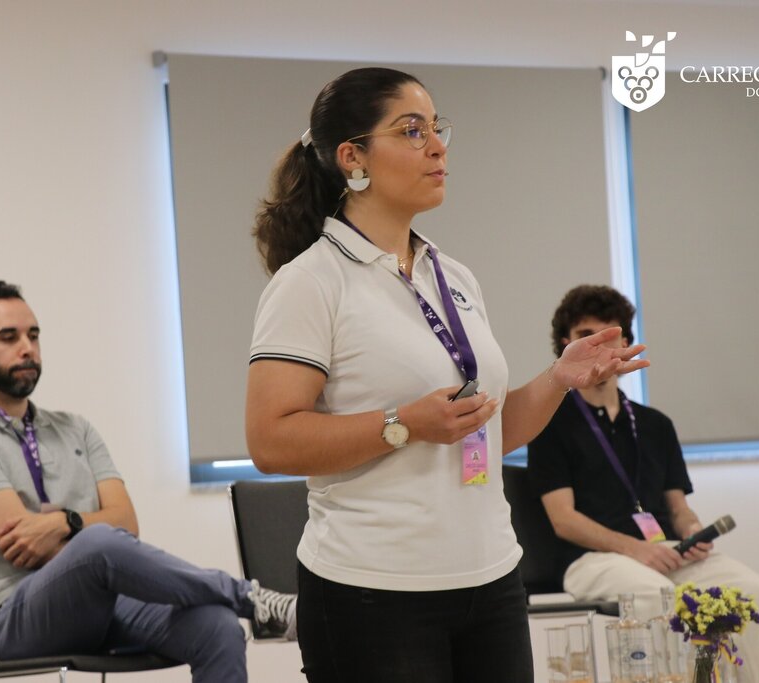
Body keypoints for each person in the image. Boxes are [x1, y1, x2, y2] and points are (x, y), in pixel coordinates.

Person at [244, 68, 649, 683]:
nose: (437, 147)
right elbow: (270, 441)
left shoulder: (452, 275)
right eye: (412, 131)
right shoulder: (310, 281)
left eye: (438, 129)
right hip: (373, 592)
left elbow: (485, 429)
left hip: (492, 579)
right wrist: (404, 425)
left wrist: (557, 379)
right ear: (353, 157)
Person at [0, 281, 297, 683]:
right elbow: (29, 548)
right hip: (15, 616)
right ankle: (249, 597)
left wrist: (66, 522)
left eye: (33, 335)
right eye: (9, 337)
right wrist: (91, 536)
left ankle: (239, 603)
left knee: (218, 626)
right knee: (98, 544)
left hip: (103, 600)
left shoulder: (76, 429)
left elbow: (126, 525)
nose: (28, 348)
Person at [527, 284, 759, 683]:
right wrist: (634, 549)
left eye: (609, 336)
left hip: (664, 551)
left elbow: (678, 508)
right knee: (663, 597)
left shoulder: (655, 425)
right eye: (586, 336)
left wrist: (692, 531)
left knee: (757, 593)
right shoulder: (550, 425)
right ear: (566, 344)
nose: (598, 347)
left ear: (626, 344)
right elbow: (563, 520)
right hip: (592, 560)